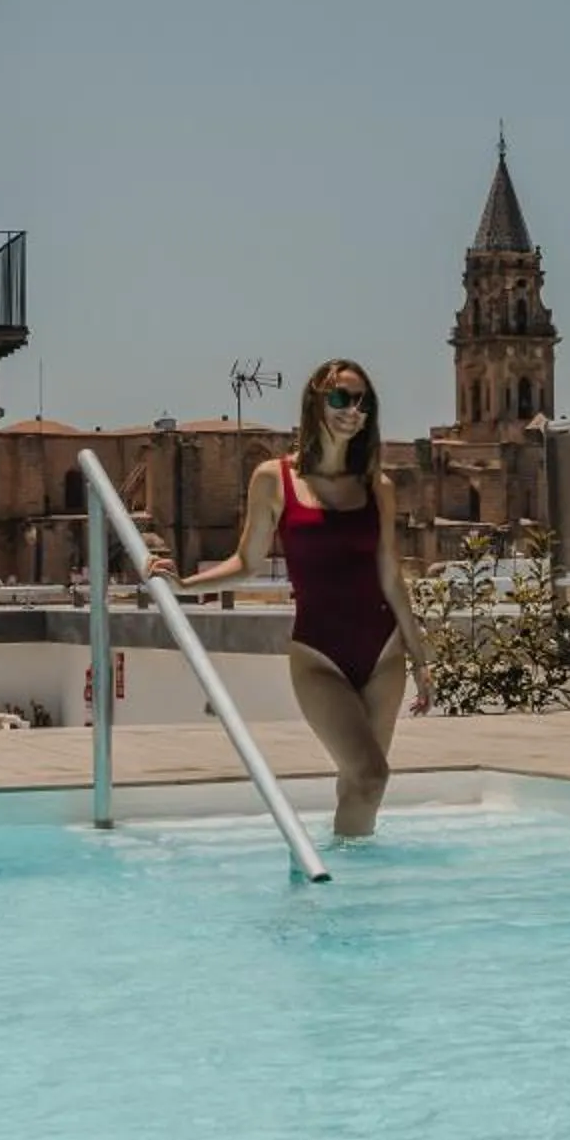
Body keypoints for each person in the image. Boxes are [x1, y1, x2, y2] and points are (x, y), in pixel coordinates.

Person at [152, 359, 436, 839]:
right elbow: (246, 561)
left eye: (362, 400)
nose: (353, 409)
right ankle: (336, 874)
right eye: (341, 398)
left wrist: (422, 657)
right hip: (318, 656)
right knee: (371, 773)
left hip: (384, 652)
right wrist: (184, 585)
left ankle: (351, 891)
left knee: (361, 784)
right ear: (316, 403)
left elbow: (391, 576)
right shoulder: (274, 478)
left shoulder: (377, 486)